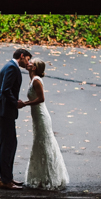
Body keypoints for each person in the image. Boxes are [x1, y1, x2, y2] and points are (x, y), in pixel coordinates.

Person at [22, 58, 69, 190]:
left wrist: (24, 104)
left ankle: (50, 176)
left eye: (30, 63)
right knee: (40, 142)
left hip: (41, 115)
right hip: (36, 116)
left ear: (35, 67)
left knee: (44, 142)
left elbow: (41, 99)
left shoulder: (36, 80)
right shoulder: (32, 79)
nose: (28, 63)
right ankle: (42, 176)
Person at [0, 48, 32, 190]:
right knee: (8, 145)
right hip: (5, 111)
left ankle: (8, 178)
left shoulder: (9, 66)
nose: (28, 62)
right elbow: (6, 90)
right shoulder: (12, 68)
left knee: (10, 143)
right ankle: (6, 181)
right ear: (22, 56)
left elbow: (7, 90)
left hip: (4, 110)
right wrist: (16, 103)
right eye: (28, 59)